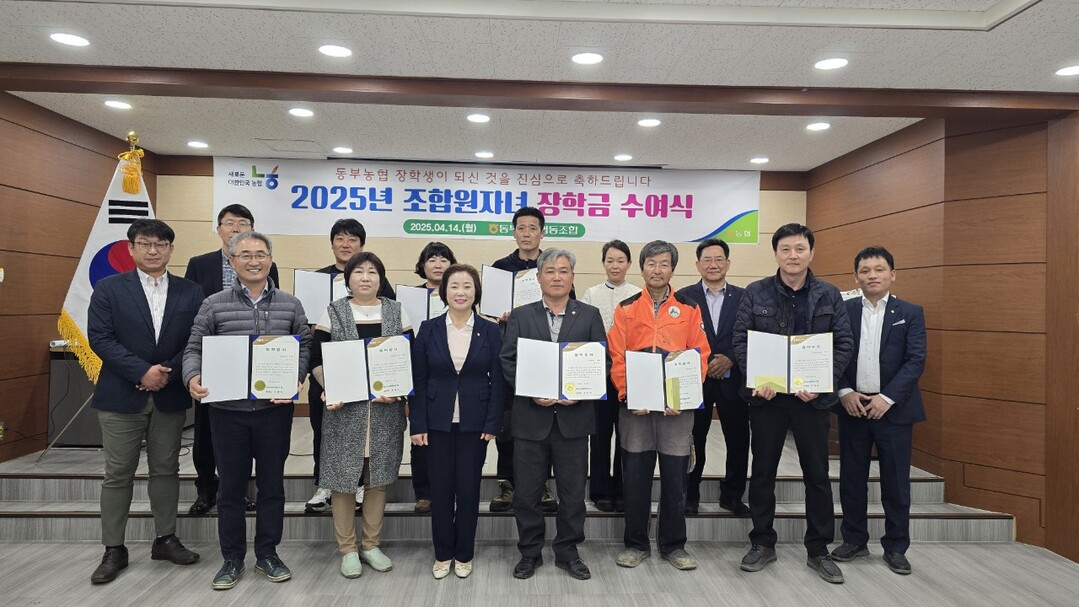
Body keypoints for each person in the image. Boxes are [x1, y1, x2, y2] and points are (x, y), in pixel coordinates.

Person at [183, 231, 311, 590]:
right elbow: (193, 348)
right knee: (230, 489)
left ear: (270, 260)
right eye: (245, 255)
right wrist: (192, 376)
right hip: (227, 412)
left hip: (273, 412)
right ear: (232, 261)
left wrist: (296, 377)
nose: (254, 261)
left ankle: (268, 553)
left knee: (272, 486)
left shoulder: (290, 304)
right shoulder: (213, 304)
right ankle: (232, 558)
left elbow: (304, 345)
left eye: (260, 254)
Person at [732, 223, 853, 584]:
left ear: (811, 253)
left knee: (817, 474)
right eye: (785, 249)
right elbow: (741, 340)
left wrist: (820, 382)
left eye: (800, 249)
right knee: (763, 473)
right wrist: (758, 379)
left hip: (811, 401)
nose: (793, 255)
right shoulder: (756, 292)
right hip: (768, 400)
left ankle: (818, 549)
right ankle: (762, 543)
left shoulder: (829, 294)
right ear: (776, 254)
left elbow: (844, 343)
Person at [86, 219, 203, 584]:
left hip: (169, 393)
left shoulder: (191, 291)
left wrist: (166, 371)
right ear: (131, 248)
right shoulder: (108, 289)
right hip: (121, 396)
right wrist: (141, 371)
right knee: (118, 473)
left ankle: (165, 539)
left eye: (161, 244)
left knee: (166, 469)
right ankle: (113, 549)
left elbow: (198, 338)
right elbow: (100, 338)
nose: (153, 250)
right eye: (145, 243)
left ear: (171, 249)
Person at [501, 248, 606, 581]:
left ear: (572, 277)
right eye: (550, 271)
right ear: (538, 277)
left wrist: (580, 393)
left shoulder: (589, 315)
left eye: (563, 271)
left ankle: (568, 551)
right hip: (531, 419)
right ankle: (530, 553)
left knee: (573, 494)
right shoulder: (521, 315)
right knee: (527, 494)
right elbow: (508, 360)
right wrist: (532, 391)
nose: (557, 277)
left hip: (574, 421)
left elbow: (602, 362)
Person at [308, 251, 412, 579]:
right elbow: (316, 359)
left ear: (381, 278)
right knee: (343, 481)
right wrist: (330, 387)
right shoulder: (333, 312)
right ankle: (347, 549)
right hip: (344, 411)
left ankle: (371, 545)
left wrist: (399, 391)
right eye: (359, 272)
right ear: (348, 278)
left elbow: (408, 358)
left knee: (377, 480)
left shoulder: (396, 311)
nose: (365, 278)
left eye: (372, 272)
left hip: (385, 410)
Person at [608, 240, 710, 571]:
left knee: (676, 478)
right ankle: (636, 544)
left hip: (676, 411)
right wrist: (628, 394)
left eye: (664, 264)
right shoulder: (626, 308)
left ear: (672, 269)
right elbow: (617, 355)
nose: (657, 270)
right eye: (651, 264)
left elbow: (700, 355)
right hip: (635, 410)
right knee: (635, 477)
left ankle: (673, 545)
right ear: (642, 268)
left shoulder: (690, 308)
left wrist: (683, 397)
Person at [831, 246, 926, 576]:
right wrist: (844, 391)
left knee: (896, 482)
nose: (872, 275)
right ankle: (854, 539)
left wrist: (887, 398)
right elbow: (832, 353)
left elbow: (915, 360)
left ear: (892, 274)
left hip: (894, 411)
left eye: (879, 269)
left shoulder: (910, 312)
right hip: (853, 407)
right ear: (856, 277)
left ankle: (896, 547)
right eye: (865, 270)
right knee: (851, 479)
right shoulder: (843, 311)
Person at [410, 264, 504, 579]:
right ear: (444, 291)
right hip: (435, 423)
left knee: (468, 489)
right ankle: (442, 554)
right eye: (454, 286)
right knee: (440, 489)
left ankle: (464, 554)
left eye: (467, 286)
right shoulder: (429, 328)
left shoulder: (490, 330)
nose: (460, 292)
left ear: (476, 292)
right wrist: (417, 424)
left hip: (474, 424)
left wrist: (492, 423)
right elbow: (418, 380)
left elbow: (499, 381)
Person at [184, 203, 280, 515]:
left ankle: (241, 490)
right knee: (206, 432)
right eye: (229, 223)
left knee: (248, 436)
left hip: (256, 363)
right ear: (218, 229)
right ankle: (205, 489)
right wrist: (194, 370)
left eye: (243, 223)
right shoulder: (199, 264)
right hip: (215, 362)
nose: (236, 228)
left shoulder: (266, 265)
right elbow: (192, 314)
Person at [305, 219, 391, 514]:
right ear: (331, 243)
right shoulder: (316, 281)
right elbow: (311, 344)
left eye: (352, 239)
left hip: (376, 384)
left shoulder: (382, 289)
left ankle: (359, 484)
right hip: (331, 380)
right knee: (325, 431)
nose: (345, 243)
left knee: (367, 438)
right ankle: (324, 482)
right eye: (340, 238)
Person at [488, 206, 567, 513]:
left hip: (545, 354)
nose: (527, 233)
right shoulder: (499, 268)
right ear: (514, 232)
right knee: (508, 422)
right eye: (521, 228)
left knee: (545, 422)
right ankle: (506, 484)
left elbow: (567, 304)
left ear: (541, 233)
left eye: (533, 228)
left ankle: (542, 484)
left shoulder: (554, 265)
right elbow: (488, 313)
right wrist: (500, 316)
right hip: (511, 353)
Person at [676, 238, 750, 516]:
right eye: (707, 260)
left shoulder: (745, 297)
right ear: (698, 265)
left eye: (719, 259)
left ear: (728, 263)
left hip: (734, 380)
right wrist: (706, 362)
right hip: (697, 381)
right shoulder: (684, 297)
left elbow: (750, 334)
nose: (713, 265)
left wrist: (730, 357)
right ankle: (691, 494)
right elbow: (679, 338)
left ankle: (732, 496)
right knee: (694, 439)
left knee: (738, 440)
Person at [579, 239, 640, 512]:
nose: (615, 266)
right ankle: (601, 490)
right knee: (600, 435)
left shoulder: (638, 294)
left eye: (620, 260)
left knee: (628, 435)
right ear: (603, 263)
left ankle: (623, 489)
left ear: (629, 264)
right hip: (599, 375)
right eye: (610, 260)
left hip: (629, 374)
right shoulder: (591, 294)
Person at [408, 241, 457, 515]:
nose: (438, 265)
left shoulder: (459, 295)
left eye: (443, 259)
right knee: (421, 433)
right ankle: (424, 493)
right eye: (432, 259)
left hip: (450, 372)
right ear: (422, 265)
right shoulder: (408, 297)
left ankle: (451, 489)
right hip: (418, 369)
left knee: (451, 436)